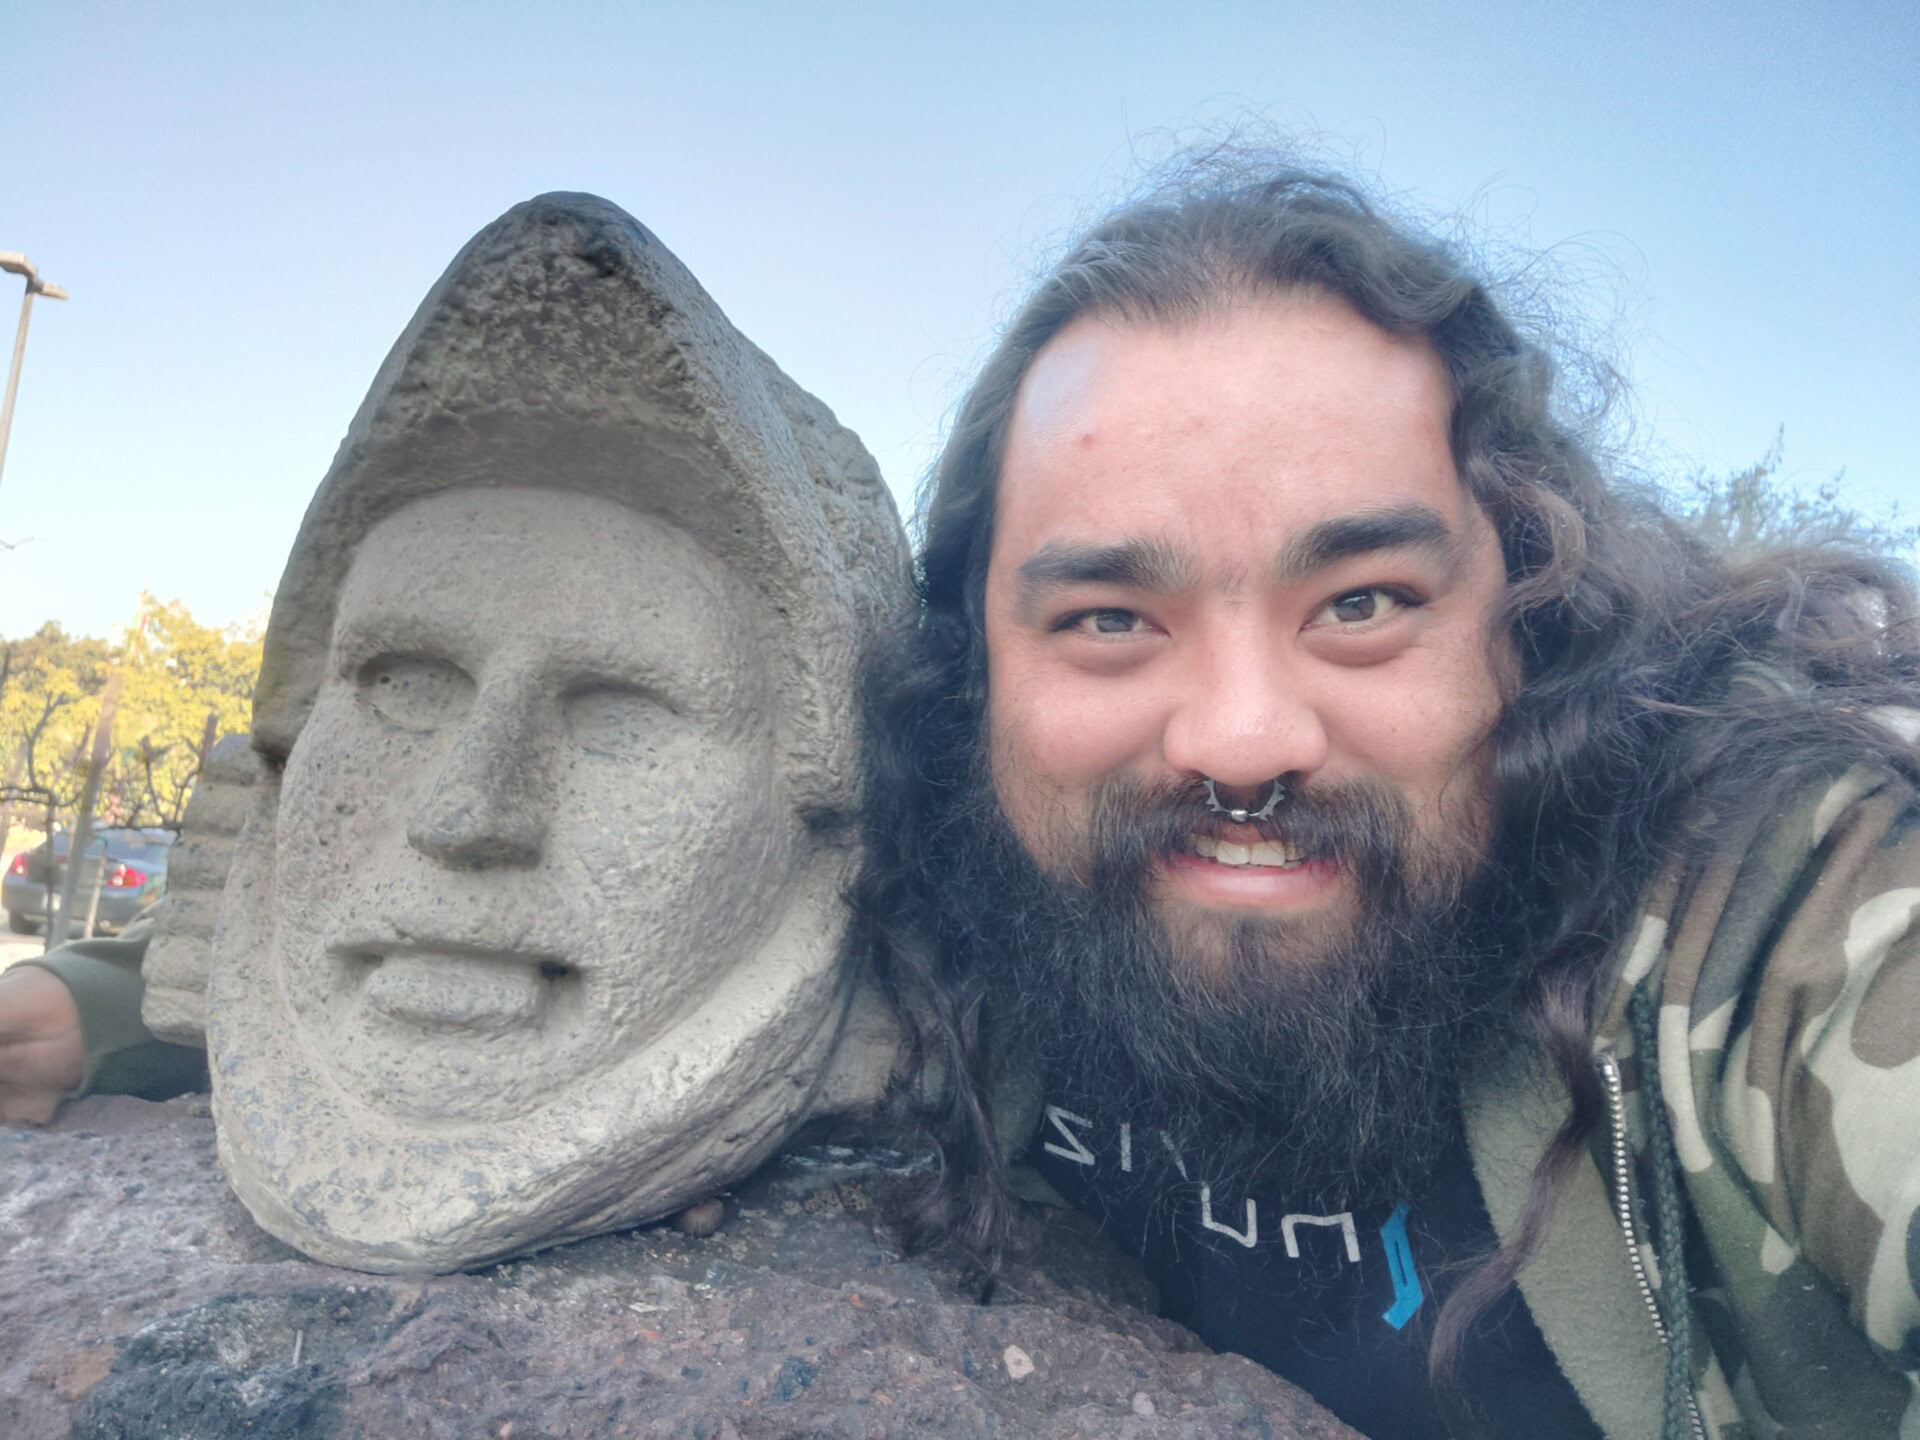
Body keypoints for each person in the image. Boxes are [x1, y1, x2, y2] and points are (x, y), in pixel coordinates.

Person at [850, 161, 1920, 1439]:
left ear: (1532, 620)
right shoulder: (899, 907)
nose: (1243, 741)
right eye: (1111, 618)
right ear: (973, 673)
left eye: (1362, 603)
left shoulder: (1782, 901)